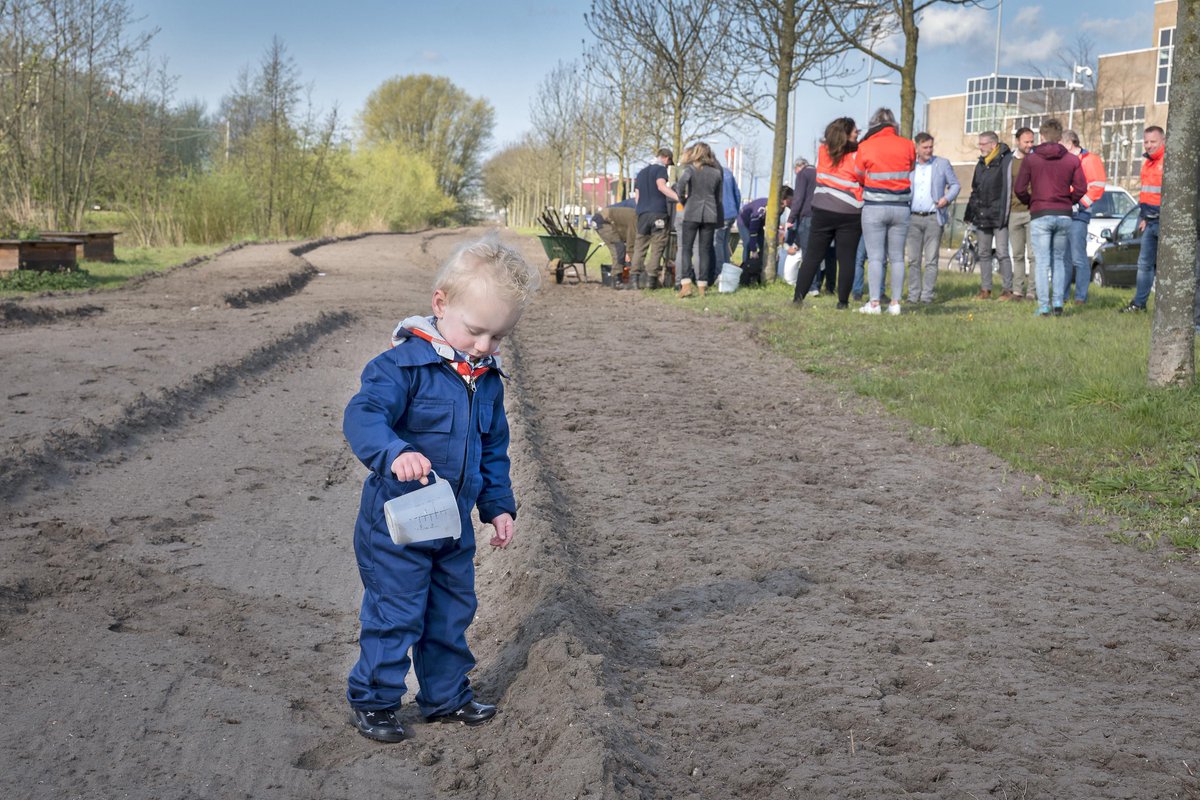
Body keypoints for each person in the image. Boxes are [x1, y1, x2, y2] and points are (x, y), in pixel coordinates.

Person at [342, 238, 539, 743]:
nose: (484, 347)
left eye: (498, 337)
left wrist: (497, 506)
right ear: (440, 305)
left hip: (450, 525)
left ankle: (445, 697)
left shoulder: (488, 381)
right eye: (475, 332)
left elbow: (493, 449)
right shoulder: (401, 367)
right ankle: (376, 700)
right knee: (397, 611)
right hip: (398, 524)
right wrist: (393, 451)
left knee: (452, 610)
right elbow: (363, 416)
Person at [1014, 118, 1086, 316]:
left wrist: (1032, 201)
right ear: (1060, 137)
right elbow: (1082, 188)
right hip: (1063, 215)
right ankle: (1058, 304)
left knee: (1042, 261)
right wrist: (1068, 201)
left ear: (1042, 136)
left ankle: (1044, 306)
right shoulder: (1072, 160)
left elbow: (1019, 188)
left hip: (1040, 214)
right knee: (1060, 260)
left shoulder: (1031, 159)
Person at [792, 116, 863, 310]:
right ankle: (842, 302)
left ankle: (798, 298)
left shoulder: (823, 151)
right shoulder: (858, 155)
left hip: (822, 209)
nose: (859, 134)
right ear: (847, 134)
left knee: (813, 256)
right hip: (850, 212)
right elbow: (862, 176)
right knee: (846, 258)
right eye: (856, 131)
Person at [856, 107, 915, 315]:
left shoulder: (866, 146)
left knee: (875, 258)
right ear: (894, 125)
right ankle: (895, 303)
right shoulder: (908, 145)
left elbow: (858, 174)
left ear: (874, 124)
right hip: (901, 207)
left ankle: (874, 304)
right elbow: (911, 168)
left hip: (874, 206)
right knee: (897, 257)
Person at [905, 132, 960, 304]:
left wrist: (946, 198)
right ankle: (913, 295)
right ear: (917, 148)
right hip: (912, 218)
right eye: (925, 147)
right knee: (913, 259)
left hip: (933, 218)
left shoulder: (941, 164)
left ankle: (926, 295)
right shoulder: (909, 166)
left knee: (931, 259)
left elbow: (956, 185)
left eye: (931, 147)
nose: (929, 150)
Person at [963, 131, 1014, 301]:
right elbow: (975, 190)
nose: (980, 147)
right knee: (983, 252)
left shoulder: (1006, 161)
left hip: (999, 216)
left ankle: (1007, 290)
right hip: (982, 215)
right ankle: (986, 289)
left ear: (993, 144)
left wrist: (1004, 214)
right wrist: (969, 213)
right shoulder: (980, 164)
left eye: (983, 144)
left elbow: (1007, 189)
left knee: (1002, 253)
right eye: (979, 144)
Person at [1121, 125, 1165, 313]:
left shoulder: (1169, 161)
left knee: (1166, 267)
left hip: (1165, 222)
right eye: (1146, 141)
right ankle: (1139, 304)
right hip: (1150, 221)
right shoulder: (1147, 162)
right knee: (1144, 265)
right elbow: (1146, 194)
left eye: (1152, 141)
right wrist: (1143, 217)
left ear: (1163, 141)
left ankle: (1166, 308)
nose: (1148, 145)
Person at [1061, 130, 1107, 305]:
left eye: (1062, 146)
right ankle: (1063, 296)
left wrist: (1080, 204)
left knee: (1078, 257)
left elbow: (1098, 186)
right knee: (1064, 258)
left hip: (1079, 214)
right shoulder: (1067, 161)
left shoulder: (1089, 160)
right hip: (1065, 212)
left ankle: (1080, 297)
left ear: (1070, 144)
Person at [675, 142, 725, 297]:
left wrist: (684, 201)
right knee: (704, 250)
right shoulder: (717, 173)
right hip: (710, 214)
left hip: (691, 212)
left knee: (686, 248)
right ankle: (702, 287)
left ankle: (686, 285)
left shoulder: (690, 169)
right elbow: (718, 198)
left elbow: (679, 186)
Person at [630, 148, 680, 290]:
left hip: (642, 214)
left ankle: (634, 279)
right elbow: (661, 187)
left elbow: (637, 196)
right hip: (658, 213)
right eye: (669, 162)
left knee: (639, 247)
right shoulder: (660, 170)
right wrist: (679, 198)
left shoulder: (641, 173)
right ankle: (651, 281)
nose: (668, 166)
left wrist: (640, 211)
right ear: (665, 158)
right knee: (657, 247)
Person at [1007, 127, 1037, 300]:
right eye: (1026, 141)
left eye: (1032, 141)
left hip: (1032, 213)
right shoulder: (1009, 162)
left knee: (1033, 256)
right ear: (1018, 141)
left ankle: (1032, 292)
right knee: (1017, 255)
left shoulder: (1036, 160)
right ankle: (1017, 290)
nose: (1029, 145)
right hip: (1014, 212)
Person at [737, 186, 794, 271]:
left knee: (764, 245)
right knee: (748, 244)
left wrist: (776, 238)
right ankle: (745, 268)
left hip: (759, 224)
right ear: (784, 199)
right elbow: (753, 231)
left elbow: (775, 223)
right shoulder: (762, 209)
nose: (793, 201)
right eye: (791, 199)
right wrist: (754, 250)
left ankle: (760, 267)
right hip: (744, 222)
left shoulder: (781, 209)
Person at [592, 198, 637, 284]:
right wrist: (635, 264)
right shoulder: (635, 216)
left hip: (608, 220)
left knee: (620, 247)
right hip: (602, 221)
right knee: (618, 248)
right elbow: (631, 244)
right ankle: (616, 279)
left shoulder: (636, 212)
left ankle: (617, 276)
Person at [715, 158, 742, 268]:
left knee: (717, 243)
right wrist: (735, 210)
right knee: (725, 242)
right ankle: (726, 269)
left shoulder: (712, 174)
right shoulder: (728, 173)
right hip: (731, 213)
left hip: (720, 213)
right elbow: (737, 194)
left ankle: (719, 271)